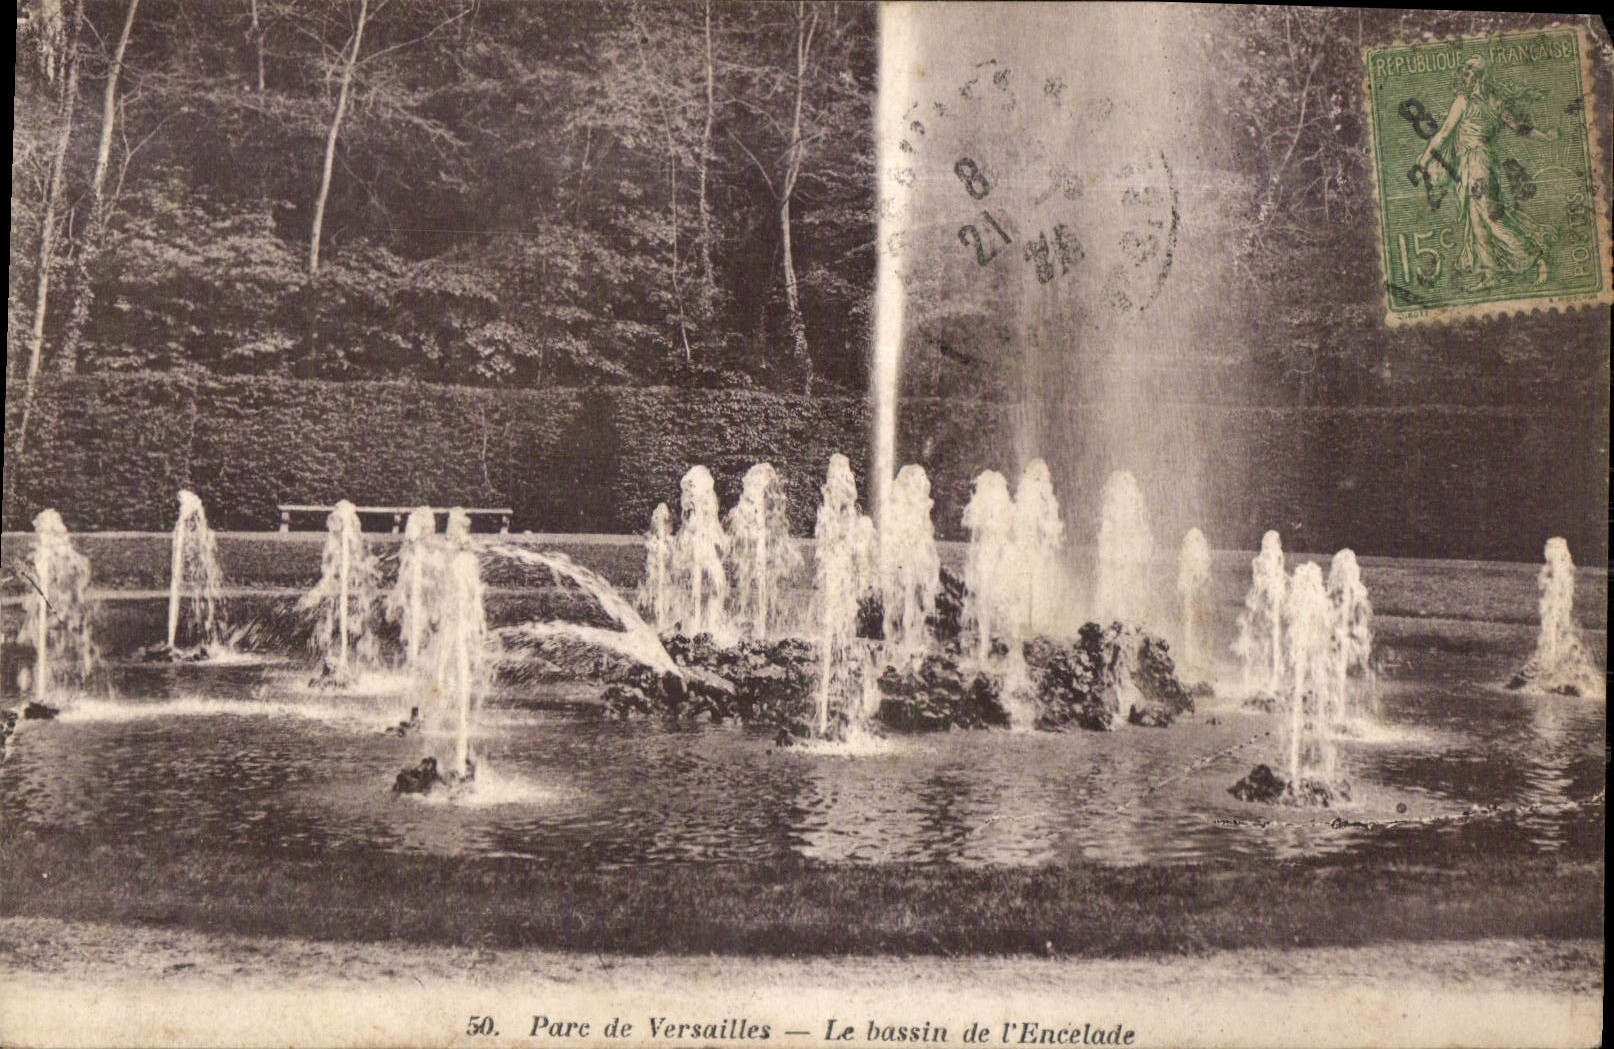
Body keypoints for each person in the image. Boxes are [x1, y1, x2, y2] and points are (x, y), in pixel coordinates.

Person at [1418, 56, 1560, 289]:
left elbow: (1443, 133)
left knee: (1490, 217)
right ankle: (1491, 274)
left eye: (1471, 69)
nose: (1465, 72)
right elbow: (1521, 128)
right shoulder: (1496, 102)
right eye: (1465, 68)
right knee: (1478, 221)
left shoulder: (1464, 101)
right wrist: (1545, 136)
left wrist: (1423, 160)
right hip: (1479, 164)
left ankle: (1536, 256)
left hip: (1477, 164)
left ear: (1481, 75)